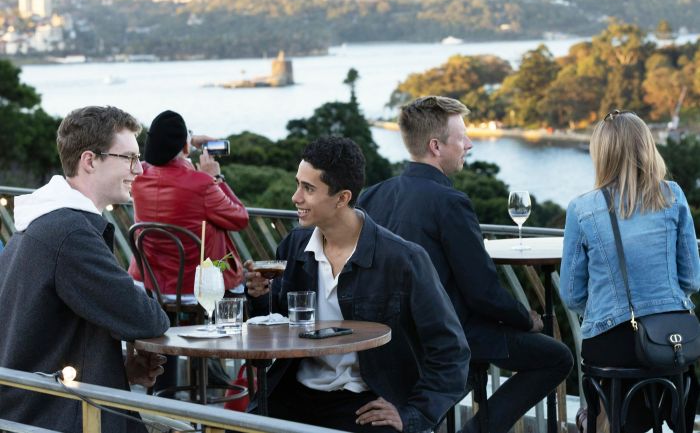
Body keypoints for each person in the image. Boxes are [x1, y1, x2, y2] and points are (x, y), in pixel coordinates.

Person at [358, 96, 573, 433]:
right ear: (435, 146)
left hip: (389, 335)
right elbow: (482, 292)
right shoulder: (449, 202)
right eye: (462, 137)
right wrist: (525, 319)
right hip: (445, 333)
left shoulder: (372, 196)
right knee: (558, 357)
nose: (469, 144)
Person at [245, 136, 470, 433]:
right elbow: (280, 325)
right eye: (298, 184)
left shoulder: (404, 260)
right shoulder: (294, 248)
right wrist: (261, 299)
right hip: (292, 394)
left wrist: (414, 414)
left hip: (365, 403)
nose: (295, 197)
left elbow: (451, 351)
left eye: (308, 188)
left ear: (342, 198)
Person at [0, 106, 170, 433]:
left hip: (31, 406)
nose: (140, 170)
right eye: (130, 158)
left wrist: (118, 368)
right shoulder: (71, 233)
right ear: (90, 161)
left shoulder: (40, 223)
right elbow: (148, 318)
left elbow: (44, 336)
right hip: (58, 416)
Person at [560, 110, 700, 433]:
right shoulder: (673, 195)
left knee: (612, 397)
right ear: (647, 148)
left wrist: (605, 309)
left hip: (610, 345)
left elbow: (571, 295)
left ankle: (598, 421)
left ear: (602, 154)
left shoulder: (582, 209)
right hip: (670, 341)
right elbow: (692, 278)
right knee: (661, 382)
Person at [128, 110, 249, 295]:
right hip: (197, 287)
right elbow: (240, 219)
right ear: (185, 149)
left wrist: (189, 141)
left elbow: (159, 159)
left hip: (149, 283)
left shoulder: (138, 175)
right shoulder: (202, 183)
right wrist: (216, 177)